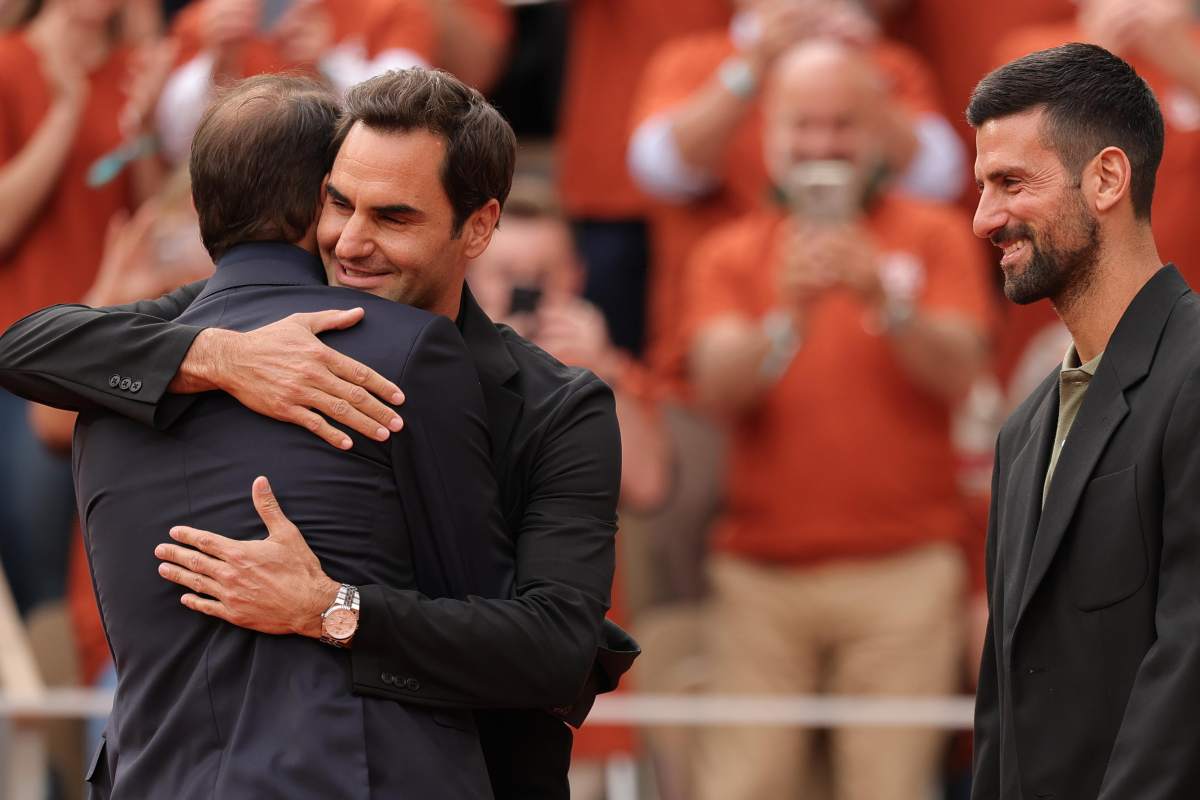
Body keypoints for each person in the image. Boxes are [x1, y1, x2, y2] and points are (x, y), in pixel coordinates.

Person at [0, 66, 635, 800]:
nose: (352, 243)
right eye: (338, 203)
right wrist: (221, 356)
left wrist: (332, 610)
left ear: (479, 226)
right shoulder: (253, 325)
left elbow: (553, 650)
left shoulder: (559, 406)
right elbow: (26, 347)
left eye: (394, 218)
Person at [79, 73, 512, 799]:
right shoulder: (407, 348)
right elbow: (488, 620)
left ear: (199, 206)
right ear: (324, 203)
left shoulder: (106, 390)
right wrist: (334, 611)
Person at [683, 41, 992, 799]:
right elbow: (718, 389)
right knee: (744, 787)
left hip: (906, 566)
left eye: (842, 125)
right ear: (770, 135)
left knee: (889, 787)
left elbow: (964, 370)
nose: (822, 145)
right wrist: (786, 311)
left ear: (882, 132)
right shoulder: (729, 251)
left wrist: (885, 301)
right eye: (804, 126)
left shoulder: (935, 235)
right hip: (762, 574)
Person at [969, 42, 1200, 799]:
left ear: (1106, 178)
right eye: (982, 186)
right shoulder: (1024, 430)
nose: (983, 219)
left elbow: (1189, 663)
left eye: (1010, 183)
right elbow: (1005, 708)